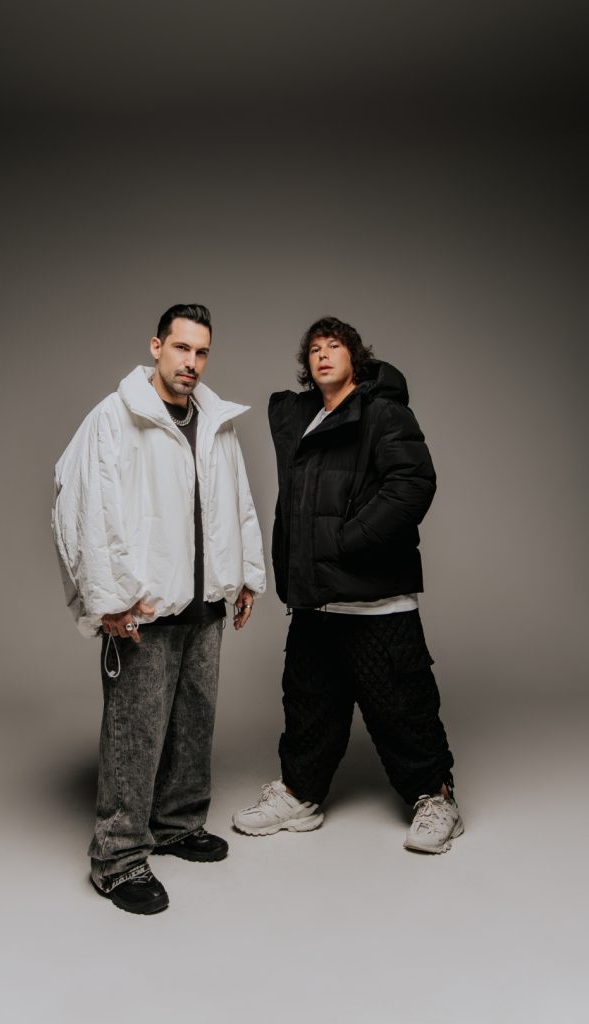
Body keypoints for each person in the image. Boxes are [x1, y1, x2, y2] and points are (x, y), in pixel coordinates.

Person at [52, 303, 266, 914]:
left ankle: (176, 823)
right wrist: (108, 600)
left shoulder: (216, 421)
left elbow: (238, 502)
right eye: (181, 348)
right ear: (156, 347)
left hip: (205, 601)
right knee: (135, 731)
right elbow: (82, 509)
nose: (191, 362)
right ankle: (117, 858)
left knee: (194, 722)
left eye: (201, 352)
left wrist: (246, 576)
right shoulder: (113, 417)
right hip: (142, 609)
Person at [232, 316, 462, 853]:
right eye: (314, 348)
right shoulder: (303, 417)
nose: (322, 354)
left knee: (401, 709)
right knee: (308, 706)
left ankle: (437, 799)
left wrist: (348, 539)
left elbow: (414, 483)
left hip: (376, 602)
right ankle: (299, 795)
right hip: (316, 602)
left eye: (334, 346)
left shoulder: (383, 412)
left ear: (354, 357)